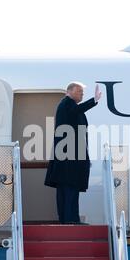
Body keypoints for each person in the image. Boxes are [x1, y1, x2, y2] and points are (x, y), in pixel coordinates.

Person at [44, 81, 102, 224]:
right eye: (79, 92)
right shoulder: (67, 104)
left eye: (82, 93)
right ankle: (71, 220)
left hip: (67, 157)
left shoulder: (68, 106)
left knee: (67, 190)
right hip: (69, 157)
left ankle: (68, 219)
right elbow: (76, 111)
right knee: (70, 189)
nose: (82, 95)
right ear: (69, 92)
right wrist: (93, 101)